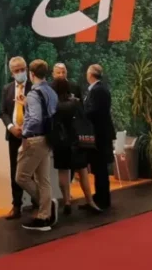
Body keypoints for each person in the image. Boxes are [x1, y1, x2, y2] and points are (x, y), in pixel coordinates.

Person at [16, 59, 58, 231]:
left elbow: (35, 118)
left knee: (21, 177)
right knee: (43, 180)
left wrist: (24, 135)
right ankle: (44, 215)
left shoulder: (34, 94)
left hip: (34, 139)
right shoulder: (50, 91)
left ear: (31, 74)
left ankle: (45, 206)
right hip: (47, 138)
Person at [51, 77, 99, 216]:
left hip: (61, 142)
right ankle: (90, 200)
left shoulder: (54, 105)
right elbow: (84, 120)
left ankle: (67, 201)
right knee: (82, 171)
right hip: (77, 141)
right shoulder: (76, 103)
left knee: (63, 171)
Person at [0, 57, 30, 219]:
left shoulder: (34, 87)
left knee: (33, 171)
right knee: (15, 170)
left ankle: (37, 203)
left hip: (31, 135)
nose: (20, 73)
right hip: (13, 135)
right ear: (12, 73)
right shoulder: (7, 89)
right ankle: (16, 205)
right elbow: (3, 112)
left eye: (22, 69)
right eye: (16, 71)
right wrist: (11, 127)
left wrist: (26, 127)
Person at [83, 64, 115, 210]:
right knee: (98, 167)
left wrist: (81, 111)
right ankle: (99, 196)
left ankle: (103, 199)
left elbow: (95, 111)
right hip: (100, 133)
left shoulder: (98, 90)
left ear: (90, 75)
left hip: (100, 135)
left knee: (100, 168)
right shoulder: (99, 89)